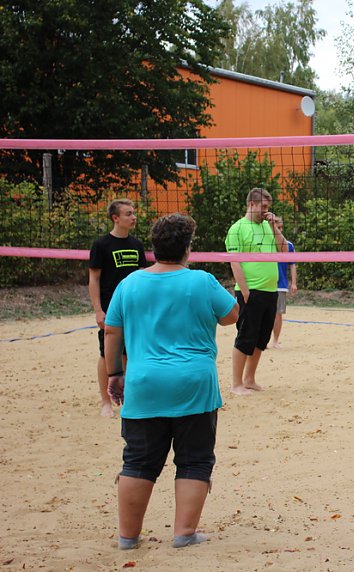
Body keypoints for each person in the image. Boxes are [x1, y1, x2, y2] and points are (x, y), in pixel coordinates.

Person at [104, 213, 239, 550]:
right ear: (187, 249)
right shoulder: (201, 281)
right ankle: (184, 533)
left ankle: (128, 538)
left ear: (153, 247)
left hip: (144, 382)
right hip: (194, 384)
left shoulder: (129, 283)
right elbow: (231, 317)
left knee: (137, 461)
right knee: (194, 459)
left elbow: (111, 330)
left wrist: (114, 373)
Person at [225, 188, 290, 394]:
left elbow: (284, 250)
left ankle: (250, 379)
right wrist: (244, 292)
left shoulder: (267, 226)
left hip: (270, 290)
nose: (266, 211)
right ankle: (236, 384)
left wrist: (274, 227)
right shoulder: (237, 228)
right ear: (251, 204)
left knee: (261, 339)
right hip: (250, 291)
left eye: (267, 207)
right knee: (245, 337)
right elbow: (235, 263)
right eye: (263, 207)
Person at [88, 198, 147, 418]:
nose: (133, 217)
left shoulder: (137, 245)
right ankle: (106, 402)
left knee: (129, 353)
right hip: (110, 309)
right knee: (107, 354)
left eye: (133, 213)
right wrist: (98, 310)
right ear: (116, 218)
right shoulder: (102, 245)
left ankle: (128, 398)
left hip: (133, 309)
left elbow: (142, 278)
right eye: (128, 214)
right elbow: (93, 279)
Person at [270, 216, 298, 349]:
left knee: (278, 314)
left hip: (280, 284)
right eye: (276, 227)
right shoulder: (265, 244)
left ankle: (275, 341)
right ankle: (262, 341)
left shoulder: (288, 245)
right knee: (263, 314)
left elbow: (292, 265)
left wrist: (294, 283)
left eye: (280, 227)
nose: (279, 230)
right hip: (264, 284)